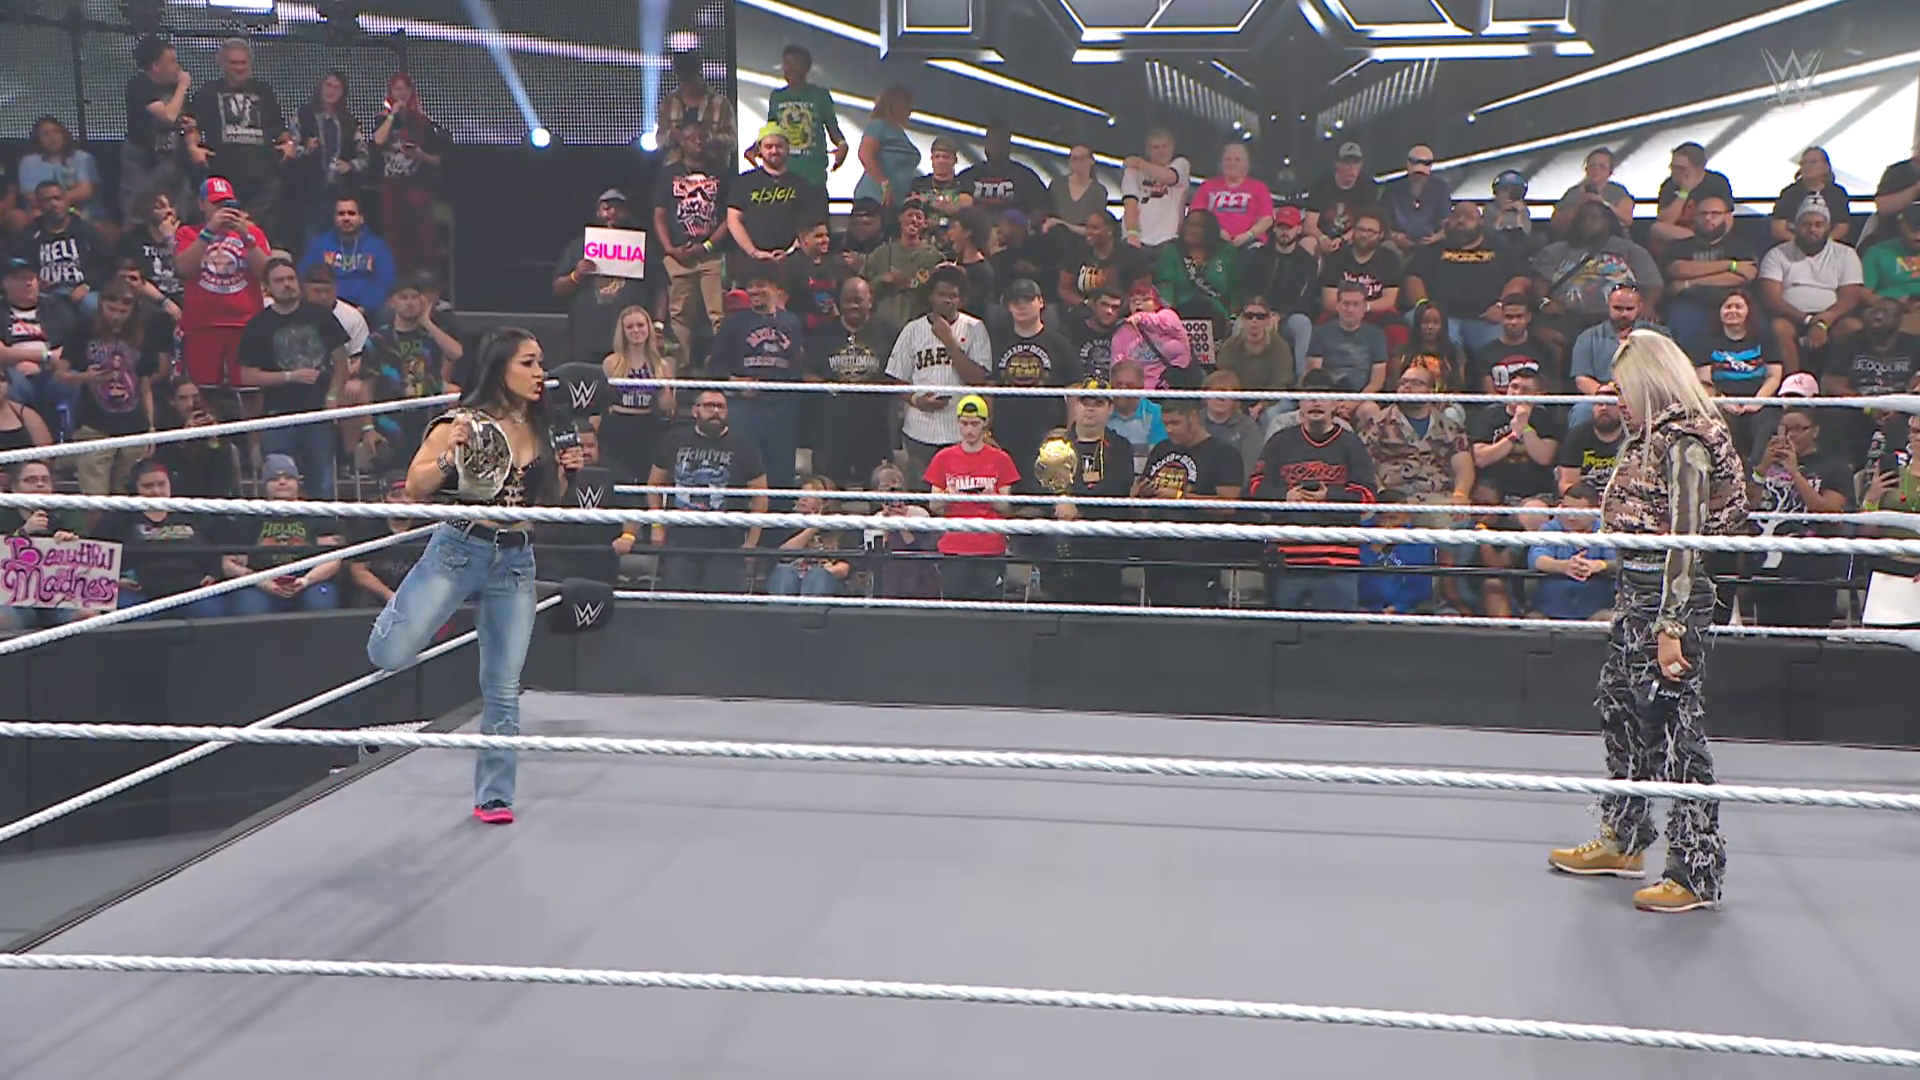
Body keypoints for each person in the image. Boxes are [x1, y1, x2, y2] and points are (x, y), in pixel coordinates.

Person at [1548, 330, 1748, 914]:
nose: (1619, 401)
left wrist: (1671, 628)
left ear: (1650, 383)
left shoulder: (1686, 441)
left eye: (1624, 389)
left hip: (1673, 600)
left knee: (1680, 732)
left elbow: (1686, 541)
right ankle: (1625, 836)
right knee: (1620, 711)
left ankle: (1694, 871)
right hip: (1634, 592)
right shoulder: (1649, 436)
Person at [367, 327, 586, 826]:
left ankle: (494, 796)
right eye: (528, 363)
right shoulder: (462, 421)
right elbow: (417, 487)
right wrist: (451, 456)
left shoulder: (542, 426)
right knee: (390, 654)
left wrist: (567, 472)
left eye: (540, 363)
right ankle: (396, 610)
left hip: (516, 559)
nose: (540, 373)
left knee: (503, 685)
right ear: (500, 367)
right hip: (461, 548)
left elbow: (546, 505)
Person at [852, 86, 919, 210]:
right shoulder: (878, 126)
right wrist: (884, 183)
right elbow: (865, 154)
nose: (910, 111)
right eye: (907, 105)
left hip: (896, 203)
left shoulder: (898, 132)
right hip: (876, 199)